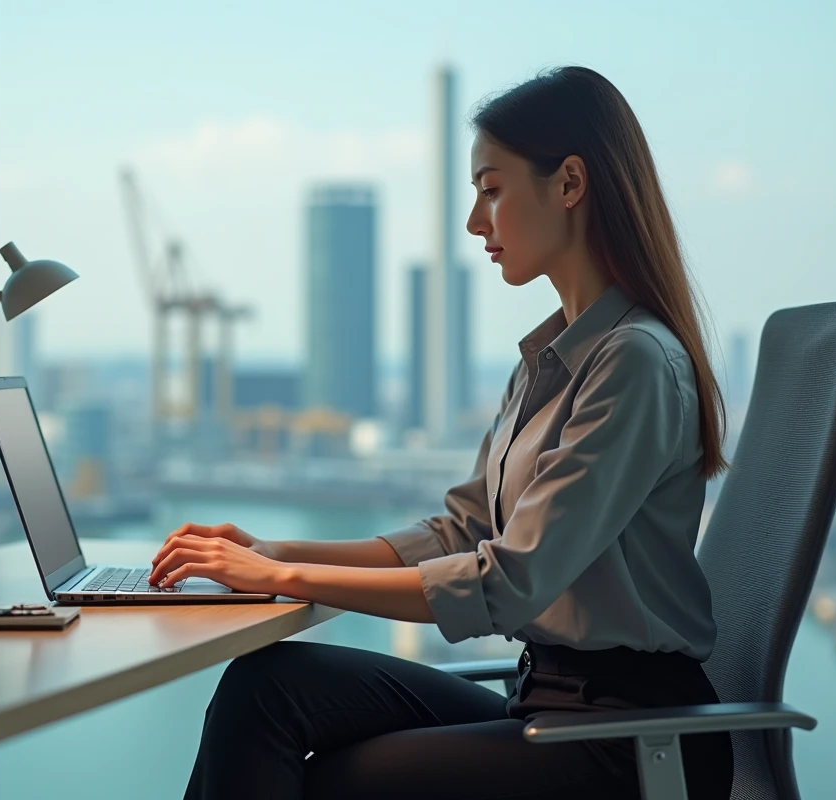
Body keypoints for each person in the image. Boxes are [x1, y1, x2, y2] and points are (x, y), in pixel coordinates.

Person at [150, 65, 734, 799]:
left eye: (491, 189)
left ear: (569, 184)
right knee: (264, 687)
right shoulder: (547, 362)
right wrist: (275, 550)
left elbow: (508, 584)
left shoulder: (634, 363)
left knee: (334, 784)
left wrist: (282, 581)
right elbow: (462, 533)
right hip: (547, 703)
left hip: (631, 741)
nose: (474, 222)